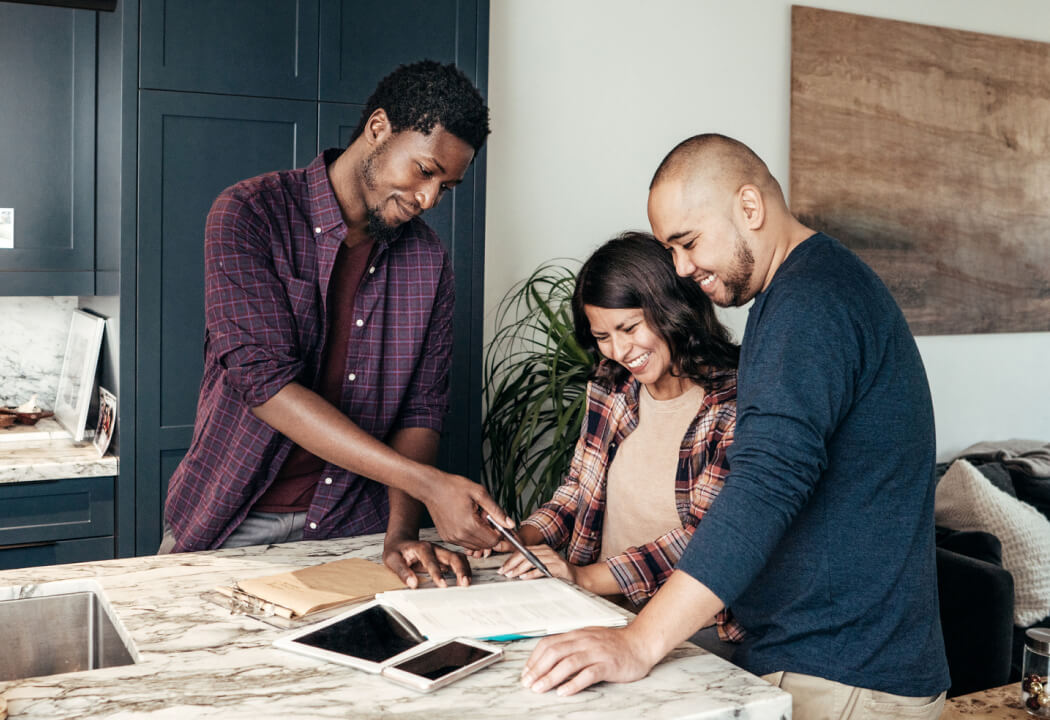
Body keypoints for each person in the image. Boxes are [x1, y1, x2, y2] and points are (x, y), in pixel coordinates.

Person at [520, 134, 949, 720]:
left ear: (750, 208)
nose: (681, 268)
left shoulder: (809, 304)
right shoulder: (804, 293)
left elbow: (763, 487)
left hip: (842, 673)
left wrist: (638, 641)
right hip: (834, 661)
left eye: (688, 242)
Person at [162, 60, 512, 589]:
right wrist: (429, 485)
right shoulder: (249, 213)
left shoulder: (429, 261)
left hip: (353, 531)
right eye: (424, 170)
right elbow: (266, 385)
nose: (429, 199)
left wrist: (401, 530)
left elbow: (420, 408)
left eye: (448, 186)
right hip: (228, 521)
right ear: (378, 129)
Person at [496, 232, 745, 647]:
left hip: (691, 635)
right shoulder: (611, 388)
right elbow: (578, 491)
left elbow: (705, 542)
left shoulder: (734, 406)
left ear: (671, 307)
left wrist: (585, 577)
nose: (619, 350)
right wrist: (521, 538)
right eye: (602, 336)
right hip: (598, 613)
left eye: (629, 327)